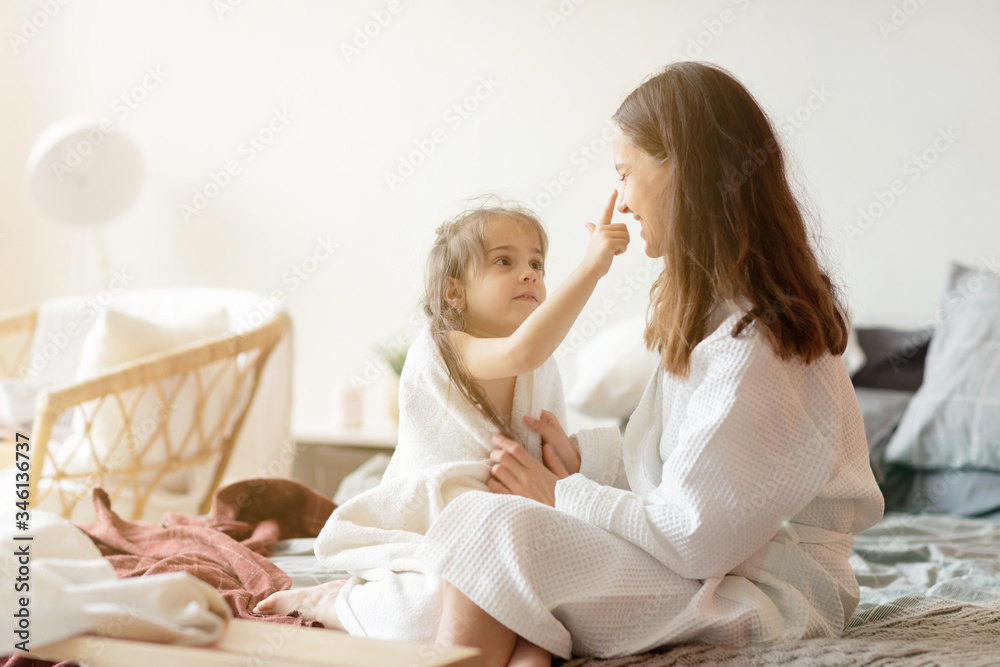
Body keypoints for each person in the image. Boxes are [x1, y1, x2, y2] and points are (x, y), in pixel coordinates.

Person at [414, 61, 885, 666]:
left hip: (765, 596)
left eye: (626, 174)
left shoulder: (756, 344)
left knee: (490, 531)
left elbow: (694, 537)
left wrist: (563, 494)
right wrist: (582, 459)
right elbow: (676, 460)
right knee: (486, 539)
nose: (624, 202)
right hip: (717, 569)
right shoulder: (719, 314)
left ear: (682, 171)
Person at [253, 197, 629, 663]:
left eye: (537, 263)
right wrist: (592, 268)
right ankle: (336, 602)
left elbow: (537, 457)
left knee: (550, 613)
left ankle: (531, 645)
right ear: (454, 293)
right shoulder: (446, 347)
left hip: (508, 527)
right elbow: (520, 353)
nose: (530, 273)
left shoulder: (541, 369)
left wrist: (564, 463)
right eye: (504, 261)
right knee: (435, 608)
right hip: (436, 521)